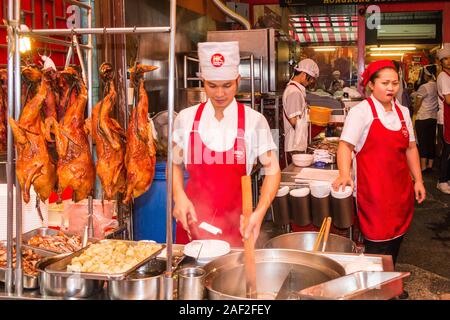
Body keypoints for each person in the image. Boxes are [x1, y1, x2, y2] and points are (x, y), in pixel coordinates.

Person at [172, 41, 281, 247]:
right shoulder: (185, 119)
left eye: (227, 85)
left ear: (238, 80)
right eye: (212, 86)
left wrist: (260, 212)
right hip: (192, 226)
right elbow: (174, 163)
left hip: (237, 228)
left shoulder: (255, 120)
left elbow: (273, 171)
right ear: (203, 81)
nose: (220, 93)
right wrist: (179, 195)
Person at [332, 60, 426, 266]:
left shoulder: (403, 112)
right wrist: (344, 174)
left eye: (395, 83)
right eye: (385, 83)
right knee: (376, 245)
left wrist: (418, 180)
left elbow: (411, 148)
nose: (391, 88)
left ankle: (388, 284)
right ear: (372, 85)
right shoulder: (361, 112)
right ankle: (376, 290)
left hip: (400, 191)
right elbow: (345, 146)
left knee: (396, 240)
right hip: (374, 193)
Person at [282, 58, 319, 164]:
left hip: (297, 143)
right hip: (295, 145)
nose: (311, 81)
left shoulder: (295, 90)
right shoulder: (294, 92)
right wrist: (313, 119)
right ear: (303, 74)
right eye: (310, 78)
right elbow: (294, 121)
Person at [414, 64, 438, 175]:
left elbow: (418, 103)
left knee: (423, 142)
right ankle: (430, 165)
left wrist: (414, 111)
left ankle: (423, 167)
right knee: (431, 141)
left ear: (426, 74)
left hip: (423, 117)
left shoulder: (424, 87)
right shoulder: (437, 85)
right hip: (433, 117)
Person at [436, 44, 450, 194]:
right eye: (445, 59)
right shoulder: (443, 76)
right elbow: (448, 100)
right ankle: (442, 181)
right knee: (447, 150)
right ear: (441, 62)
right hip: (445, 119)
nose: (448, 61)